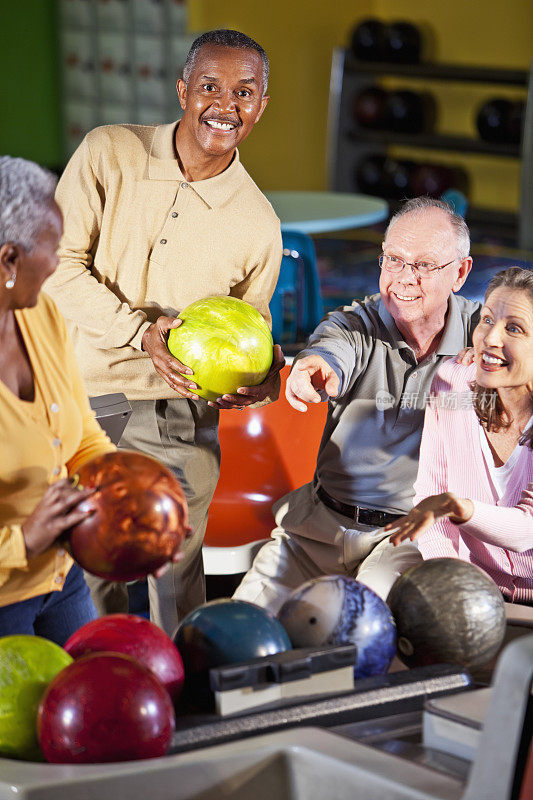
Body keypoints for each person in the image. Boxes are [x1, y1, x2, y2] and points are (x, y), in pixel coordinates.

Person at [44, 29, 284, 635]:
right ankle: (93, 699)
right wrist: (139, 332)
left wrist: (256, 381)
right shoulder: (108, 153)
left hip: (179, 417)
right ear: (183, 90)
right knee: (86, 573)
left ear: (261, 105)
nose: (225, 105)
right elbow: (56, 266)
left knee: (170, 570)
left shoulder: (258, 224)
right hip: (82, 402)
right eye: (210, 86)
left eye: (244, 92)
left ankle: (179, 704)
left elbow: (248, 336)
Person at [234, 196, 481, 613]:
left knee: (364, 628)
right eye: (393, 260)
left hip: (410, 538)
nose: (403, 278)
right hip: (317, 530)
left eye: (423, 266)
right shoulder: (356, 324)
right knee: (236, 629)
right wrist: (312, 370)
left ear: (460, 272)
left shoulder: (486, 335)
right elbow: (329, 350)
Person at [0, 155, 115, 645]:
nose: (60, 261)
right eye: (53, 247)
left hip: (60, 579)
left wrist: (132, 506)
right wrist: (24, 540)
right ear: (9, 259)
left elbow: (82, 434)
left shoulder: (40, 313)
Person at [386, 267, 533, 604]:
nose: (490, 338)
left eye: (513, 328)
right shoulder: (451, 381)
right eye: (486, 320)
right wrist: (450, 582)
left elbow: (527, 531)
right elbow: (430, 491)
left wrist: (459, 507)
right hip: (474, 592)